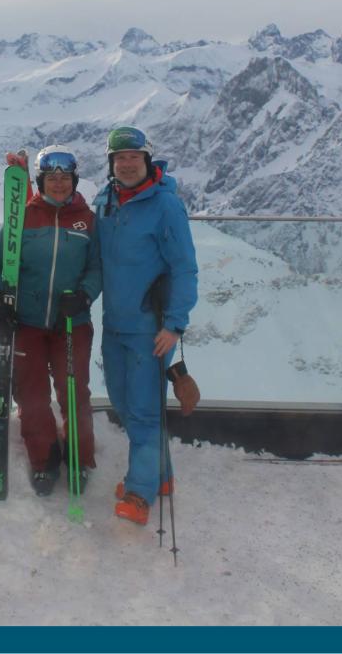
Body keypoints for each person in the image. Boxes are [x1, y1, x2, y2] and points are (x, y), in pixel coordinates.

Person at [0, 145, 102, 496]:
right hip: (28, 322)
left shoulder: (88, 221)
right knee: (31, 394)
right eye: (51, 178)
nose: (59, 183)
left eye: (65, 177)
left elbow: (97, 267)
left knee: (74, 392)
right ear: (41, 181)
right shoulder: (23, 218)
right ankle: (44, 460)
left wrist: (85, 295)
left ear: (75, 180)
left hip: (71, 322)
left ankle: (79, 458)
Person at [93, 125, 198, 525]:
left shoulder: (165, 206)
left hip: (151, 328)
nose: (127, 164)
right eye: (119, 157)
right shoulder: (105, 201)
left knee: (143, 412)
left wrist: (175, 325)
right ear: (111, 163)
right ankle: (161, 474)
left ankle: (140, 493)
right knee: (123, 403)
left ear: (147, 160)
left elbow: (184, 268)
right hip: (114, 325)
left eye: (134, 157)